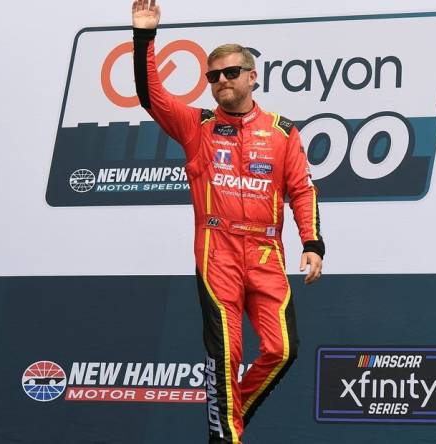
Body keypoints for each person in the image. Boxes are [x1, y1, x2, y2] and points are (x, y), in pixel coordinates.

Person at [131, 1, 324, 442]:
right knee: (226, 354)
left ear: (253, 76)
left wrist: (312, 242)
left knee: (282, 350)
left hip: (266, 253)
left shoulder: (282, 131)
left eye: (230, 73)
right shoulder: (195, 125)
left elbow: (302, 189)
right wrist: (144, 37)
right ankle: (227, 435)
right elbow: (151, 95)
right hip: (216, 249)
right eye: (213, 76)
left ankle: (229, 415)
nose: (220, 81)